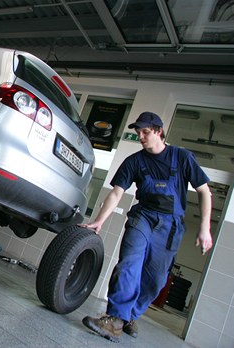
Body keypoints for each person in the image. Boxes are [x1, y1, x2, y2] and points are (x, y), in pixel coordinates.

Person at [79, 111, 213, 342]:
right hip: (143, 217)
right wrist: (99, 220)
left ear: (159, 132)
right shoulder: (134, 161)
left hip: (171, 226)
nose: (140, 136)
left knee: (156, 280)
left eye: (146, 132)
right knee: (128, 264)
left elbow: (204, 191)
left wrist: (205, 227)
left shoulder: (182, 157)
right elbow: (116, 193)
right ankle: (114, 319)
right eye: (138, 132)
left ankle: (129, 315)